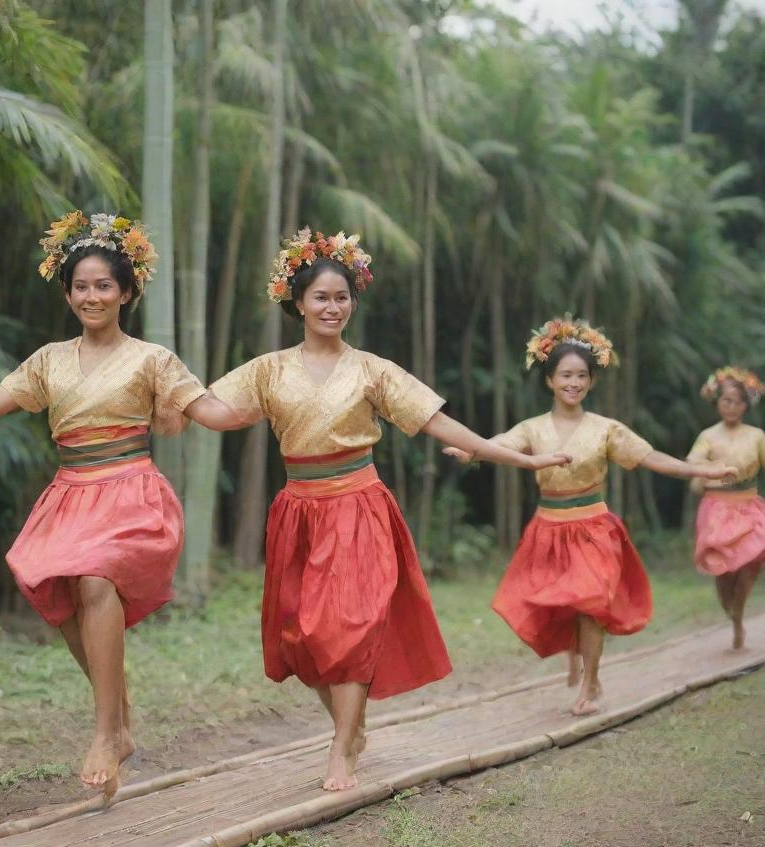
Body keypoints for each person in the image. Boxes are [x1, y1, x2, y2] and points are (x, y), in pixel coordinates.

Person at [0, 211, 215, 799]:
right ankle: (120, 719)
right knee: (63, 593)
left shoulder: (153, 358)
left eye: (104, 285)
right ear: (67, 291)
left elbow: (203, 410)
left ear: (127, 291)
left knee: (97, 580)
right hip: (71, 491)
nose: (92, 295)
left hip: (130, 487)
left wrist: (264, 401)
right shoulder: (50, 360)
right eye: (81, 286)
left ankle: (105, 733)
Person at [208, 229, 572, 790]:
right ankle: (350, 728)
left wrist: (518, 459)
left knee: (349, 626)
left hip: (358, 506)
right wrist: (154, 380)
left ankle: (340, 749)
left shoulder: (373, 369)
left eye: (342, 297)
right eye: (322, 297)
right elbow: (214, 410)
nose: (333, 307)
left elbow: (438, 423)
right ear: (297, 301)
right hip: (298, 510)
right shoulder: (266, 370)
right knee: (298, 638)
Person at [444, 317, 737, 716]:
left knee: (590, 603)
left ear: (592, 381)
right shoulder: (533, 428)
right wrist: (471, 451)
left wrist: (704, 470)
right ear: (549, 380)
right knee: (561, 603)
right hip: (548, 529)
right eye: (565, 375)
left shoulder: (606, 429)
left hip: (594, 529)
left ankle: (590, 683)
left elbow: (651, 458)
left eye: (582, 376)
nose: (573, 383)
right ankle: (577, 657)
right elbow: (501, 444)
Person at [688, 367, 765, 650]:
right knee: (723, 570)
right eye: (726, 401)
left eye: (738, 402)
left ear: (746, 405)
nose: (732, 407)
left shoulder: (756, 435)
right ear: (717, 403)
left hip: (749, 505)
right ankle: (731, 611)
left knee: (749, 564)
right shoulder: (708, 436)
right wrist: (704, 471)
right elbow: (692, 462)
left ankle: (738, 617)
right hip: (717, 508)